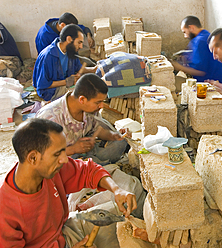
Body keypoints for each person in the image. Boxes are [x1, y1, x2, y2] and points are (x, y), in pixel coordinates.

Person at [0, 118, 137, 247]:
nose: (64, 160)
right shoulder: (5, 210)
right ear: (33, 158)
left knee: (122, 215)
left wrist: (116, 190)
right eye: (57, 154)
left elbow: (89, 170)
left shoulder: (48, 169)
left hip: (64, 232)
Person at [36, 73, 129, 165]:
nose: (101, 106)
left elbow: (97, 130)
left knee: (120, 143)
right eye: (98, 102)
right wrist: (73, 149)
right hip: (62, 163)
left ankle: (96, 167)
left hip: (85, 155)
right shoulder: (49, 118)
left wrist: (113, 135)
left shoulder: (90, 109)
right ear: (82, 100)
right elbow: (41, 157)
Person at [33, 24, 96, 101]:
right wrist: (66, 82)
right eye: (79, 42)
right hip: (51, 92)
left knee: (91, 86)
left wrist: (93, 69)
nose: (81, 46)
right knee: (86, 94)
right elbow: (42, 85)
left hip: (65, 85)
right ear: (69, 39)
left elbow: (78, 67)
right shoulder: (48, 56)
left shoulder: (70, 51)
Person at [171, 16, 222, 83]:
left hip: (215, 81)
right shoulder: (206, 34)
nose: (185, 36)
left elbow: (200, 72)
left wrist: (177, 66)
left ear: (191, 27)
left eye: (184, 32)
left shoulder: (200, 41)